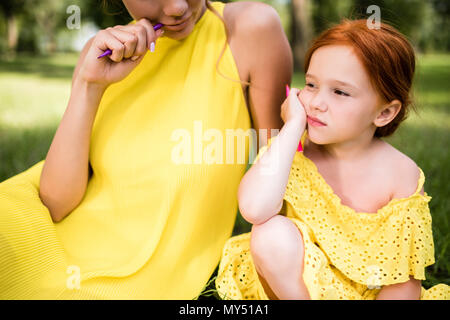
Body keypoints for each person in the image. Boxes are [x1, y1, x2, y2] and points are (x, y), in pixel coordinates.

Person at [0, 0, 292, 299]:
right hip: (35, 232)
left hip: (133, 280)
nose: (178, 6)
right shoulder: (99, 52)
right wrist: (89, 85)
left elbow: (283, 182)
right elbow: (55, 204)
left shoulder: (249, 29)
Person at [215, 19, 450, 300]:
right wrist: (290, 130)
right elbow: (254, 209)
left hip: (368, 294)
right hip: (295, 289)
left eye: (339, 92)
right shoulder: (291, 152)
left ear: (384, 113)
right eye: (311, 84)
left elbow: (403, 280)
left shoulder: (401, 175)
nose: (315, 102)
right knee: (269, 233)